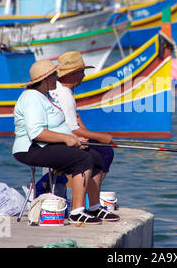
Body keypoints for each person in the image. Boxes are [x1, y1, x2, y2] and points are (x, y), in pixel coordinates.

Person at [12, 60, 119, 224]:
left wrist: (75, 139)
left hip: (46, 145)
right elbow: (36, 133)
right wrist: (67, 139)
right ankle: (77, 211)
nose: (57, 77)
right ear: (47, 78)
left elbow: (59, 126)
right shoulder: (32, 98)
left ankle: (95, 207)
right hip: (31, 149)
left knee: (96, 157)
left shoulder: (45, 96)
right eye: (55, 75)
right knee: (83, 159)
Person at [49, 51, 115, 186]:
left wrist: (92, 136)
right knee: (105, 152)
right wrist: (102, 138)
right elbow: (73, 129)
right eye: (81, 72)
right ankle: (85, 196)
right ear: (72, 74)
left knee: (98, 146)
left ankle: (84, 194)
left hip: (59, 136)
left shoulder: (58, 89)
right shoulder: (65, 94)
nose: (84, 76)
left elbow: (75, 118)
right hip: (59, 140)